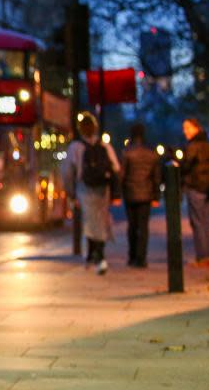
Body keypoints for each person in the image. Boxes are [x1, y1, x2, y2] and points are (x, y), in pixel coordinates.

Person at [62, 112, 121, 275]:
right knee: (101, 220)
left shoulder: (75, 147)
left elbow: (67, 172)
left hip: (84, 188)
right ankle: (100, 253)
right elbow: (116, 168)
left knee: (89, 221)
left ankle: (92, 254)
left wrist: (70, 192)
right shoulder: (104, 146)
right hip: (103, 188)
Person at [120, 123, 162, 268]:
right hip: (146, 194)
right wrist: (156, 196)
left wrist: (119, 193)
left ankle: (132, 256)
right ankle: (141, 258)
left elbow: (122, 175)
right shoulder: (151, 154)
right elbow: (156, 177)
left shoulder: (127, 153)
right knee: (143, 227)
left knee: (132, 226)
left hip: (130, 194)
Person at [180, 118, 209, 267]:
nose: (185, 131)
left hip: (196, 186)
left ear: (196, 128)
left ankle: (202, 257)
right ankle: (208, 256)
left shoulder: (193, 146)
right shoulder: (208, 145)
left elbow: (186, 166)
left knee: (197, 222)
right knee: (207, 222)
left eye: (187, 128)